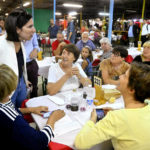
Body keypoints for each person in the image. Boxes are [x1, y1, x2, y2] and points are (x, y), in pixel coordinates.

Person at [75, 62, 150, 150]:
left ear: (131, 89)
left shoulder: (116, 118)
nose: (120, 76)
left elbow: (80, 143)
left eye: (125, 76)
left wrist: (92, 120)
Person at [0, 64, 65, 150]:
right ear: (11, 89)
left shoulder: (4, 102)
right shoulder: (14, 121)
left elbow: (11, 110)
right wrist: (52, 119)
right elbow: (40, 142)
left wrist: (31, 109)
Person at [0, 8, 35, 108]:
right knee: (9, 118)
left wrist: (24, 79)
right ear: (17, 29)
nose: (34, 30)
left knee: (20, 111)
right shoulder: (1, 44)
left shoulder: (20, 42)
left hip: (21, 84)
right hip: (7, 90)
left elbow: (18, 64)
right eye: (30, 27)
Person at [24, 33, 40, 98]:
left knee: (34, 86)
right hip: (19, 64)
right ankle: (22, 106)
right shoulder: (14, 31)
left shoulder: (32, 32)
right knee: (22, 88)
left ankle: (34, 104)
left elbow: (36, 45)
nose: (33, 29)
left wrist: (35, 50)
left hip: (31, 62)